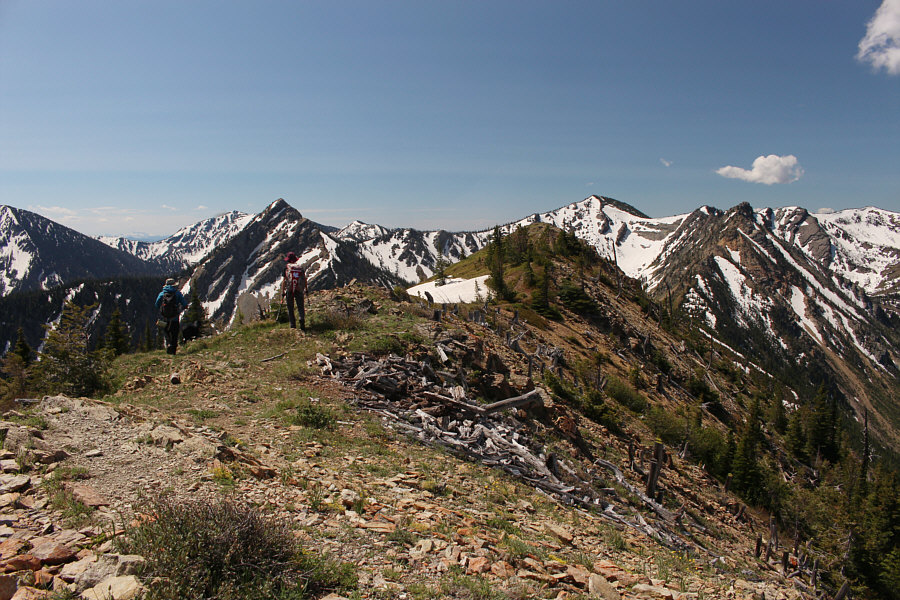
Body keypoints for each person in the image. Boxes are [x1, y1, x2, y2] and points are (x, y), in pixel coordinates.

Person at [155, 278, 188, 355]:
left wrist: (162, 309)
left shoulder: (162, 294)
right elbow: (184, 304)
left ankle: (168, 345)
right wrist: (182, 308)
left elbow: (156, 304)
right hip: (175, 317)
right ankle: (173, 350)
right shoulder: (177, 293)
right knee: (174, 333)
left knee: (166, 332)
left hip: (165, 317)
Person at [281, 252, 308, 330]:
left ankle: (293, 325)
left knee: (290, 307)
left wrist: (283, 292)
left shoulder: (286, 268)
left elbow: (284, 281)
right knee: (300, 306)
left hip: (289, 289)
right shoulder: (300, 268)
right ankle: (301, 319)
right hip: (299, 289)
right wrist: (306, 289)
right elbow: (304, 279)